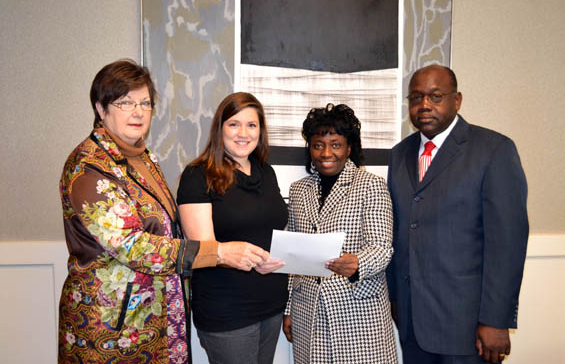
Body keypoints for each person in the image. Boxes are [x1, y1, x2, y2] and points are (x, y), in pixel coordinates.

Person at [58, 59, 269, 364]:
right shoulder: (90, 166)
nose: (138, 111)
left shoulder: (144, 158)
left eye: (145, 102)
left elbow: (167, 227)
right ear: (101, 109)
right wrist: (219, 253)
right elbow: (133, 245)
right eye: (125, 102)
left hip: (155, 319)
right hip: (112, 328)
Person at [386, 64, 529, 364]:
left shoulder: (493, 150)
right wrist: (395, 299)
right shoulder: (399, 155)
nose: (424, 105)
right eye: (415, 97)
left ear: (457, 100)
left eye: (435, 96)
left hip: (468, 327)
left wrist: (496, 319)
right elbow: (398, 230)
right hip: (412, 321)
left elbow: (507, 244)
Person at [176, 92, 288, 364]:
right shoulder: (198, 175)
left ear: (261, 132)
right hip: (227, 311)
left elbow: (268, 232)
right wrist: (245, 258)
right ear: (220, 129)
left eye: (252, 125)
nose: (243, 133)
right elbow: (203, 249)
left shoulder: (266, 172)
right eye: (234, 124)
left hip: (271, 305)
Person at [283, 103, 398, 364]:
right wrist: (289, 309)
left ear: (349, 148)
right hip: (307, 312)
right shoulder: (299, 190)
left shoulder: (371, 185)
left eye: (335, 144)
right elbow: (293, 254)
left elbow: (382, 247)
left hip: (358, 313)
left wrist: (358, 263)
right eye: (317, 144)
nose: (326, 153)